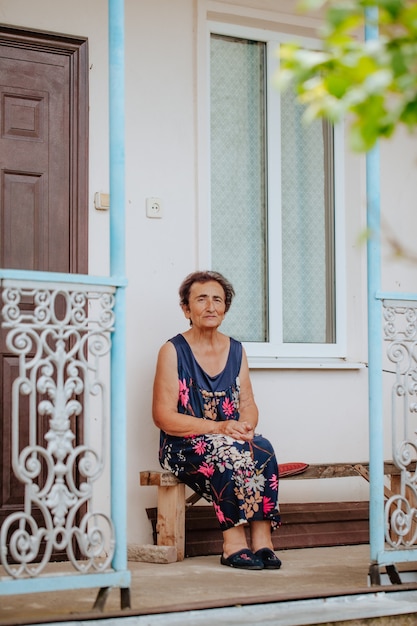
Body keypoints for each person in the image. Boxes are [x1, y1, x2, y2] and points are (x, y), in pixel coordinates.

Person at [152, 270, 281, 570]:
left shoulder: (236, 350)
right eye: (201, 299)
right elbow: (163, 416)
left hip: (229, 440)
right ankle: (233, 544)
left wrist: (245, 426)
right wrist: (219, 428)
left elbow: (248, 404)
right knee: (226, 452)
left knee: (262, 448)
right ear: (186, 309)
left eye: (217, 300)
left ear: (225, 308)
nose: (210, 306)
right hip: (182, 446)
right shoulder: (172, 351)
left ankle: (262, 541)